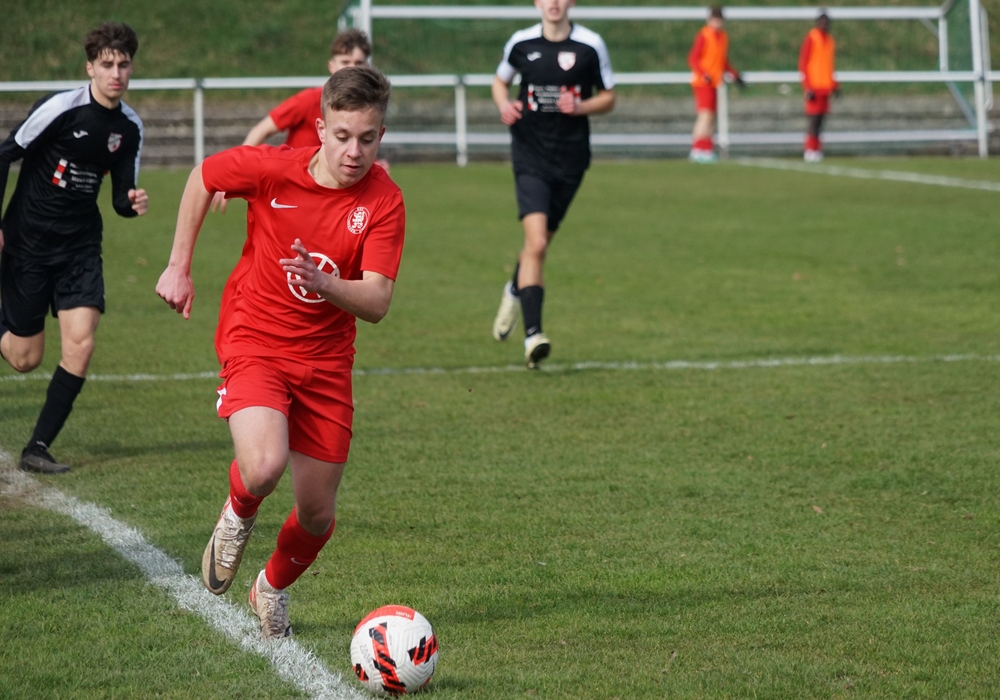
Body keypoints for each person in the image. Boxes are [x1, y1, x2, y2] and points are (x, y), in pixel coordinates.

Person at [155, 66, 404, 640]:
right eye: (342, 136)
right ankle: (238, 511)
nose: (354, 151)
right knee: (263, 467)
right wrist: (178, 265)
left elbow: (377, 301)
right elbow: (202, 176)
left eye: (367, 139)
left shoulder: (385, 201)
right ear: (320, 129)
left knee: (317, 514)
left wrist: (325, 283)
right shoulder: (272, 169)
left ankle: (269, 587)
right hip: (257, 341)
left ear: (381, 135)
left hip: (327, 362)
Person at [0, 22, 147, 474]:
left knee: (81, 343)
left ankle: (37, 447)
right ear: (90, 68)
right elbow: (5, 153)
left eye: (123, 65)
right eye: (107, 64)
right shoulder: (61, 109)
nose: (116, 73)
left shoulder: (129, 127)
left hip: (80, 249)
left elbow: (119, 198)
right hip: (28, 243)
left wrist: (131, 203)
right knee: (25, 359)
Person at [490, 0, 615, 369]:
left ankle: (515, 288)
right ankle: (534, 336)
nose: (554, 3)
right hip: (530, 155)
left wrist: (581, 106)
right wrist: (504, 105)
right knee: (538, 243)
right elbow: (500, 82)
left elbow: (609, 97)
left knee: (539, 243)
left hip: (571, 160)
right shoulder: (521, 43)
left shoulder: (590, 45)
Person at [211, 28, 385, 213]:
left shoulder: (368, 111)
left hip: (333, 197)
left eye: (358, 63)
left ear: (367, 67)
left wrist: (376, 168)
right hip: (294, 192)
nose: (351, 69)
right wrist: (234, 172)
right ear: (332, 66)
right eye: (345, 62)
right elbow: (262, 129)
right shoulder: (310, 100)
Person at [687, 6, 743, 163]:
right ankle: (697, 149)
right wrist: (703, 74)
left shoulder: (723, 37)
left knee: (711, 118)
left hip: (715, 82)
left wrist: (735, 75)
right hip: (702, 83)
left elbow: (722, 60)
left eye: (719, 20)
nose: (717, 23)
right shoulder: (704, 35)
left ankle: (706, 148)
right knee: (704, 116)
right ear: (709, 20)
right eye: (714, 19)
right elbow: (693, 58)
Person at [799, 13, 839, 162]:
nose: (825, 25)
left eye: (827, 22)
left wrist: (835, 85)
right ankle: (809, 149)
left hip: (825, 87)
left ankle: (817, 149)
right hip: (814, 86)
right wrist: (807, 86)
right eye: (822, 22)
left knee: (821, 120)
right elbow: (803, 63)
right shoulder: (812, 38)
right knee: (813, 120)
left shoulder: (830, 40)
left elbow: (829, 65)